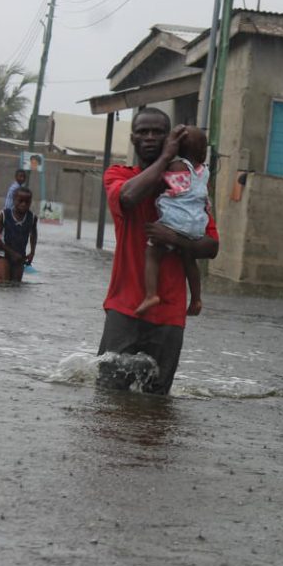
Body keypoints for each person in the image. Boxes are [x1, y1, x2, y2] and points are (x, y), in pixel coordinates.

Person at [97, 108, 219, 395]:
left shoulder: (190, 190)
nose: (149, 137)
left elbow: (212, 246)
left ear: (169, 137)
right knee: (108, 398)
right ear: (132, 138)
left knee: (156, 403)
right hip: (124, 308)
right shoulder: (119, 175)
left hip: (170, 315)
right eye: (142, 132)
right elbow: (128, 197)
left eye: (157, 132)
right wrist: (166, 157)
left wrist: (175, 239)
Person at [135, 126, 210, 316]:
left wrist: (164, 161)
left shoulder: (177, 167)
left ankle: (151, 294)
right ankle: (196, 299)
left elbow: (158, 184)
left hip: (175, 221)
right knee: (189, 259)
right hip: (197, 224)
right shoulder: (204, 171)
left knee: (152, 252)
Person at [0, 187, 37, 284]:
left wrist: (32, 252)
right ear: (14, 200)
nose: (23, 204)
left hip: (20, 258)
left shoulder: (31, 218)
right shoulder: (5, 215)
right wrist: (11, 253)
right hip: (3, 255)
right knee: (3, 283)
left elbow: (33, 234)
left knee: (16, 285)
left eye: (27, 202)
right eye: (21, 201)